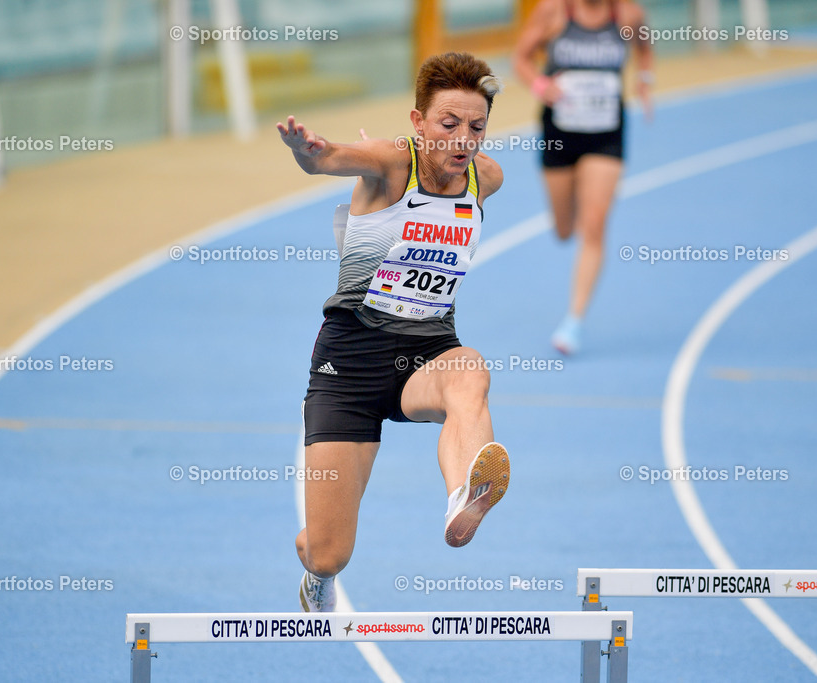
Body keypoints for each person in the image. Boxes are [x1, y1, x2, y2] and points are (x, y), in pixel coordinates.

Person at [277, 52, 510, 613]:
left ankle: (463, 496)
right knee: (329, 553)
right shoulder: (389, 163)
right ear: (417, 122)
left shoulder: (486, 178)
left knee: (471, 369)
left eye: (476, 127)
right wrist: (310, 151)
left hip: (427, 354)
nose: (463, 139)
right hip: (349, 368)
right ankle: (315, 570)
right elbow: (328, 158)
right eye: (448, 124)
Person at [514, 0, 653, 354]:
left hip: (606, 134)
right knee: (565, 230)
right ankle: (574, 204)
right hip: (560, 134)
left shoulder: (627, 15)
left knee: (593, 225)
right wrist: (540, 85)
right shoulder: (554, 11)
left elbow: (644, 47)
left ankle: (573, 323)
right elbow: (521, 59)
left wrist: (644, 80)